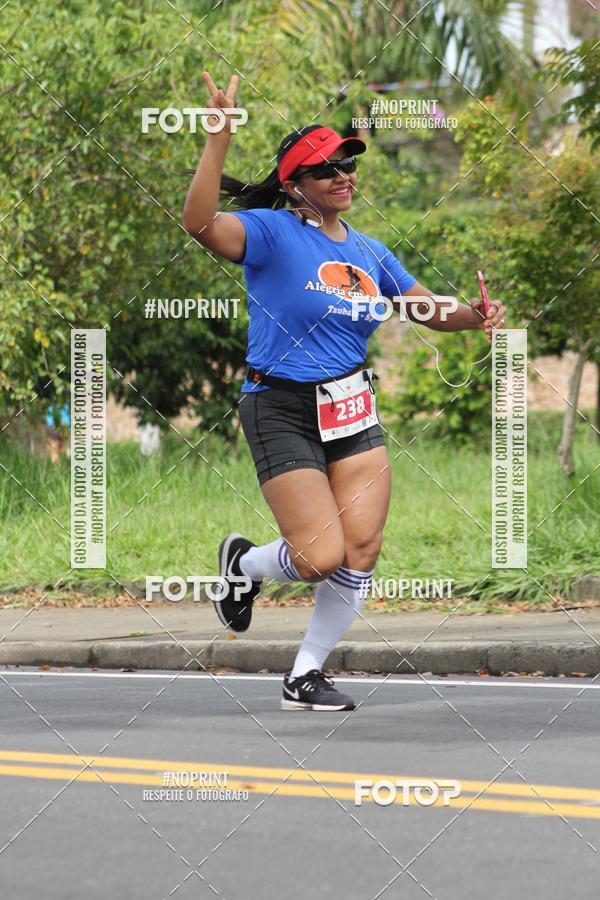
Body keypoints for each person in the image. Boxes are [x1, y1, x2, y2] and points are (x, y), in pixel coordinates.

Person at [183, 72, 506, 712]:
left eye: (348, 164)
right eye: (327, 168)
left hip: (351, 405)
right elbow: (198, 222)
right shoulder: (269, 234)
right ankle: (243, 565)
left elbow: (423, 309)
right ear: (295, 182)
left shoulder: (370, 250)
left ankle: (304, 675)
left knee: (360, 550)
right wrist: (220, 133)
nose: (343, 176)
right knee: (319, 555)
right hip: (279, 405)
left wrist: (473, 315)